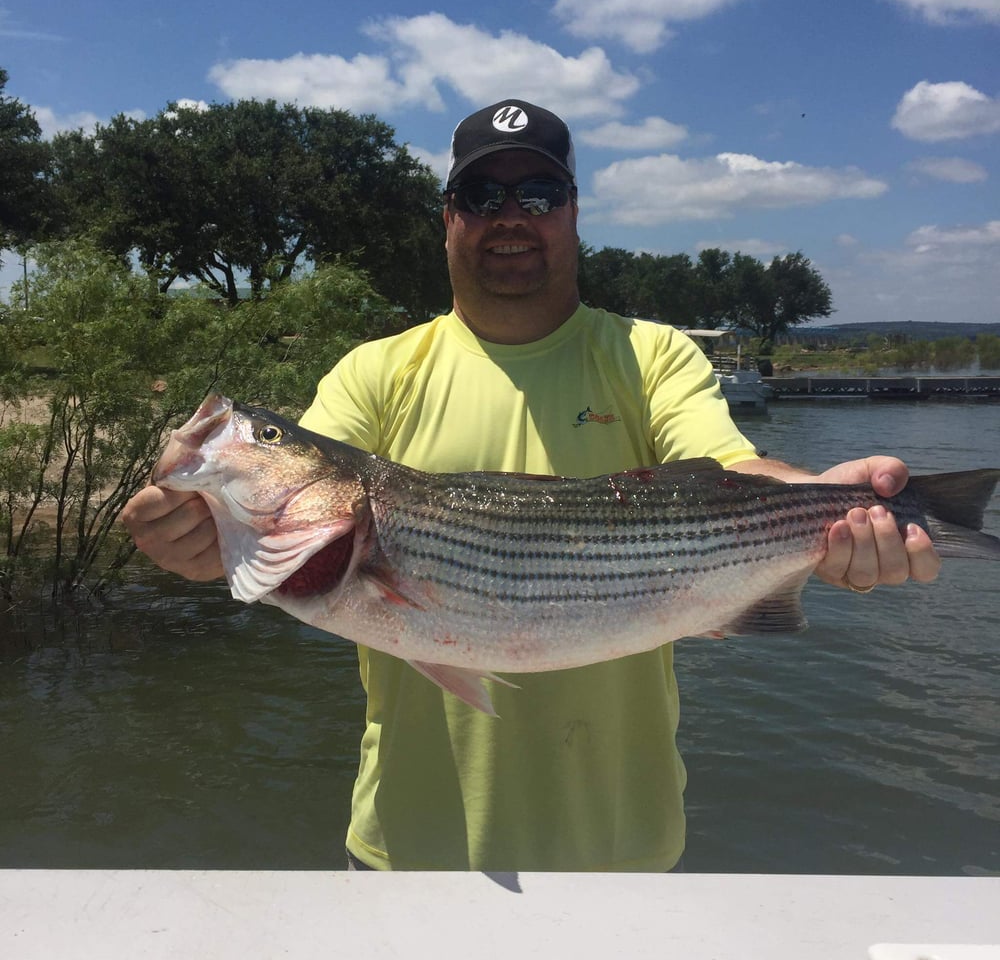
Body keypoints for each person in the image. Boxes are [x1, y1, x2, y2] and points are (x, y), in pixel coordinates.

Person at [122, 98, 942, 872]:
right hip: (408, 844)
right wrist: (200, 531)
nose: (509, 216)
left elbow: (729, 473)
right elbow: (295, 510)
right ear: (447, 217)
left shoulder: (650, 355)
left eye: (539, 192)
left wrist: (830, 500)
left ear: (574, 214)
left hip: (624, 843)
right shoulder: (374, 373)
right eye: (481, 194)